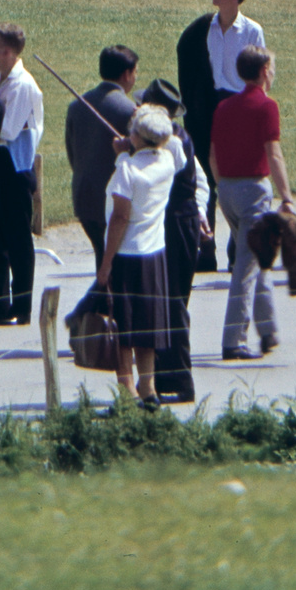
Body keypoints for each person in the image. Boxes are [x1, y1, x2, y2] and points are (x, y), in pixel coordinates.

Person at [100, 105, 186, 404]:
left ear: (139, 137)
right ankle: (148, 388)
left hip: (126, 253)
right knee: (148, 324)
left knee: (123, 327)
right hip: (154, 252)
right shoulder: (168, 159)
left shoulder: (127, 169)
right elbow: (173, 146)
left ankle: (127, 392)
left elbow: (120, 218)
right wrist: (129, 150)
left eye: (133, 129)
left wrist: (106, 262)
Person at [210, 45, 290, 358]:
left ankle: (268, 330)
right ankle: (234, 341)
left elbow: (213, 154)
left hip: (226, 188)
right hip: (253, 191)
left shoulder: (225, 106)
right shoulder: (266, 106)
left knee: (256, 259)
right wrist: (287, 196)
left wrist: (222, 186)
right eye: (271, 67)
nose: (273, 72)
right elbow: (274, 153)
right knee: (245, 267)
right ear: (262, 71)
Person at [134, 79, 211, 400]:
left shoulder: (174, 143)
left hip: (176, 224)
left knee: (173, 302)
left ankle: (181, 380)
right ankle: (164, 377)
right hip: (176, 222)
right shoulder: (168, 140)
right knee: (165, 302)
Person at [0, 22, 45, 329]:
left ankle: (22, 305)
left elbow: (6, 130)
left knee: (18, 238)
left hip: (16, 165)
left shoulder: (23, 85)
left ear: (7, 51)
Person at [176, 0, 261, 170]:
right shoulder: (206, 27)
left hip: (238, 101)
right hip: (209, 102)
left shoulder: (252, 31)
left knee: (234, 161)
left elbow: (260, 74)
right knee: (206, 161)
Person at [65, 44, 142, 261]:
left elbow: (72, 154)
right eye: (135, 72)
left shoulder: (76, 106)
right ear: (126, 74)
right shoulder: (129, 111)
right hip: (114, 201)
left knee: (102, 256)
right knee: (115, 265)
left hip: (84, 196)